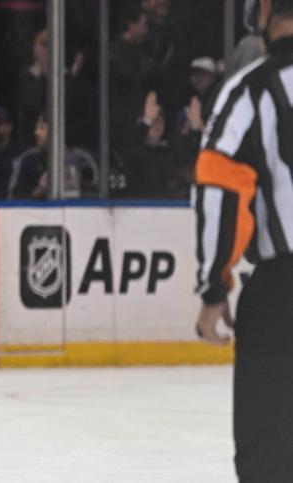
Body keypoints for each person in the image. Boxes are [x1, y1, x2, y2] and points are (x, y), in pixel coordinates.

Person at [193, 0, 293, 480]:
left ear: (268, 13)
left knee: (269, 452)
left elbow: (222, 192)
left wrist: (215, 286)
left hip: (282, 294)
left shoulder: (250, 90)